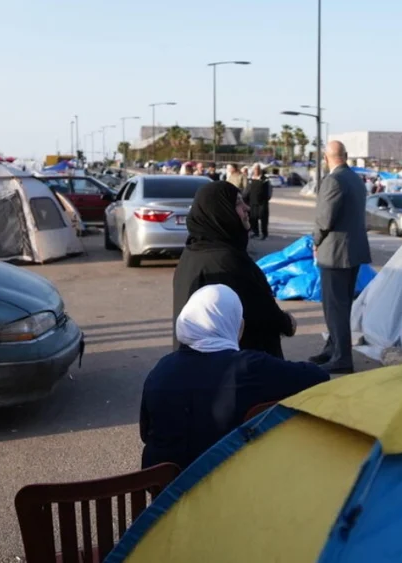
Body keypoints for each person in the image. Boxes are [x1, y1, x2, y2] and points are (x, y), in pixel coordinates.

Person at [141, 284, 328, 469]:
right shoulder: (248, 367)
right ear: (234, 324)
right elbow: (318, 377)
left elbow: (145, 432)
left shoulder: (162, 369)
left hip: (165, 492)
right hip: (229, 485)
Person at [173, 181, 297, 358]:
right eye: (238, 203)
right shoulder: (226, 260)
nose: (246, 207)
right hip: (239, 371)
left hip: (203, 367)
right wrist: (286, 323)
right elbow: (259, 311)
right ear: (221, 211)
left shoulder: (195, 253)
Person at [310, 141, 372, 374]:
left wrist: (315, 241)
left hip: (335, 253)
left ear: (326, 157)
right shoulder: (355, 179)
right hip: (352, 252)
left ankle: (341, 357)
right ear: (345, 156)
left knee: (334, 307)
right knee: (341, 305)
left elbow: (324, 219)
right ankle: (332, 348)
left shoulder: (333, 180)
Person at [245, 164, 272, 240]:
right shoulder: (250, 179)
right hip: (252, 202)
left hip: (262, 202)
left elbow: (269, 191)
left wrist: (266, 198)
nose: (256, 170)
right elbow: (247, 190)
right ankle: (255, 232)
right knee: (253, 218)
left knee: (263, 218)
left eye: (257, 169)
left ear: (260, 170)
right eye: (255, 169)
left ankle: (264, 234)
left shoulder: (265, 179)